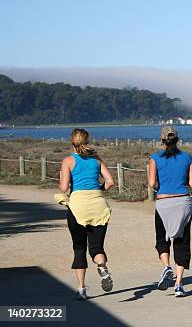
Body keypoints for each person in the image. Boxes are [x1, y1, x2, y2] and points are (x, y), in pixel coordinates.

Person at [58, 128, 115, 300]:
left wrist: (62, 175)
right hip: (98, 204)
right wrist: (97, 190)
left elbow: (63, 188)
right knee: (97, 247)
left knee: (79, 248)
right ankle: (102, 269)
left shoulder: (68, 161)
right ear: (87, 141)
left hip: (78, 207)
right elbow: (110, 181)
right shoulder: (96, 160)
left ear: (72, 142)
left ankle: (82, 288)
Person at [148, 126, 192, 298]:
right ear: (178, 139)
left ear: (162, 140)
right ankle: (178, 284)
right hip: (183, 202)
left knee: (162, 239)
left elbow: (152, 184)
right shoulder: (187, 157)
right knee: (182, 243)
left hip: (163, 203)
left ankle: (167, 267)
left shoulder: (155, 158)